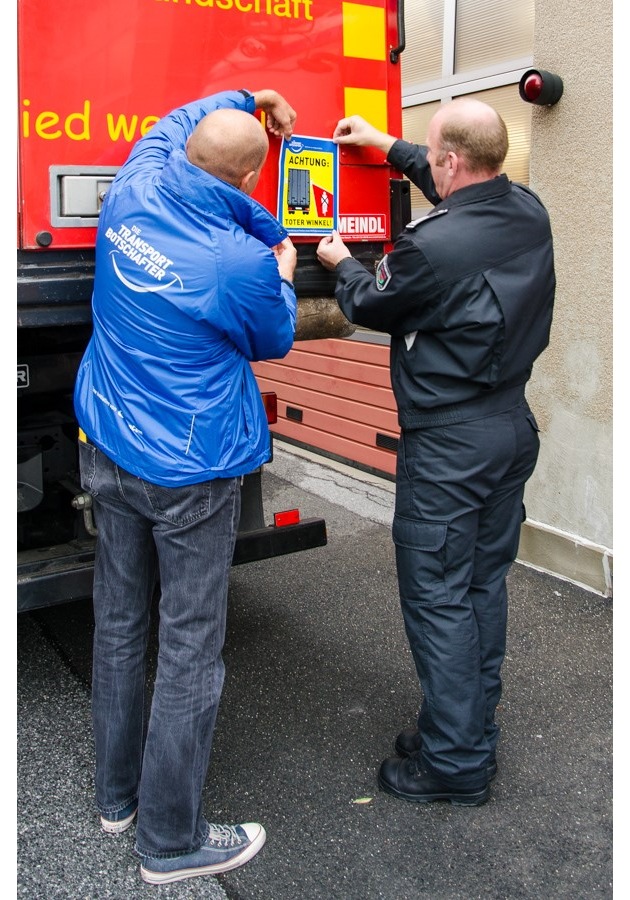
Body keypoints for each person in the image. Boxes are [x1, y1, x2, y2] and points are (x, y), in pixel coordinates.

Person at [73, 88, 298, 884]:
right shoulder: (237, 262)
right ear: (254, 172)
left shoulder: (138, 180)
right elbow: (274, 338)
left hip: (108, 446)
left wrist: (246, 97)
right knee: (191, 647)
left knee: (120, 624)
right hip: (190, 469)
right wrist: (286, 270)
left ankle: (116, 798)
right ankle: (171, 843)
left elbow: (172, 121)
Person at [317, 99, 555, 806]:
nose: (428, 161)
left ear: (453, 161)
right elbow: (450, 176)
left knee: (438, 597)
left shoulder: (426, 249)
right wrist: (387, 144)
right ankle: (465, 728)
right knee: (479, 584)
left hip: (451, 444)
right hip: (509, 428)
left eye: (430, 153)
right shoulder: (527, 209)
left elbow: (371, 304)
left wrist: (337, 261)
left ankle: (455, 765)